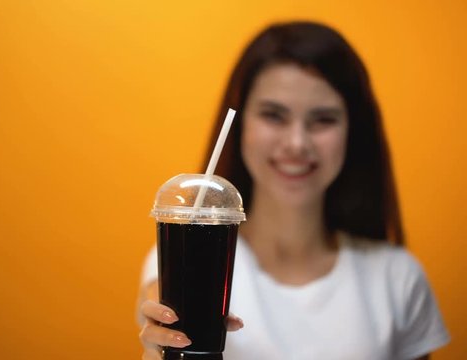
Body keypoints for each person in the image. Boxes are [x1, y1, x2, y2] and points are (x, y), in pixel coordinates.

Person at [137, 21, 449, 360]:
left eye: (323, 119)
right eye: (274, 115)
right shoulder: (180, 262)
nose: (297, 143)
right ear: (241, 126)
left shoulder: (398, 278)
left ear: (352, 131)